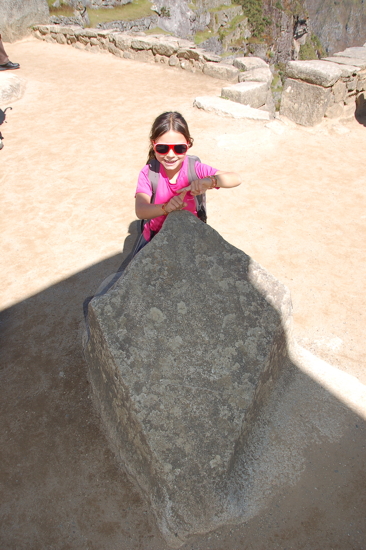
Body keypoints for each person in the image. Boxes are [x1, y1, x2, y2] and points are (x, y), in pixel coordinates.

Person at [134, 111, 241, 254]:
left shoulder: (194, 169)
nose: (170, 155)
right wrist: (166, 208)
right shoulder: (149, 172)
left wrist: (210, 182)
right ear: (153, 144)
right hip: (156, 239)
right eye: (162, 148)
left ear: (188, 144)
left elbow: (236, 178)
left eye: (179, 148)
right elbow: (141, 210)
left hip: (190, 238)